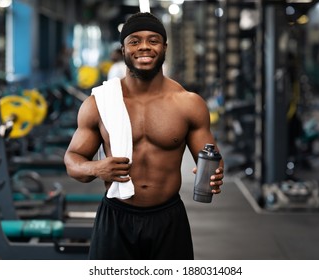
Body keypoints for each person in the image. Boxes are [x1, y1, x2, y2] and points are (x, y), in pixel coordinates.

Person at [64, 12, 224, 260]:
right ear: (123, 49)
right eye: (135, 41)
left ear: (164, 47)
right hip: (116, 216)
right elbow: (72, 160)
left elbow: (211, 156)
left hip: (168, 218)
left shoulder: (188, 104)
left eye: (153, 40)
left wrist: (214, 174)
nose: (144, 47)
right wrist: (96, 168)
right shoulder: (99, 103)